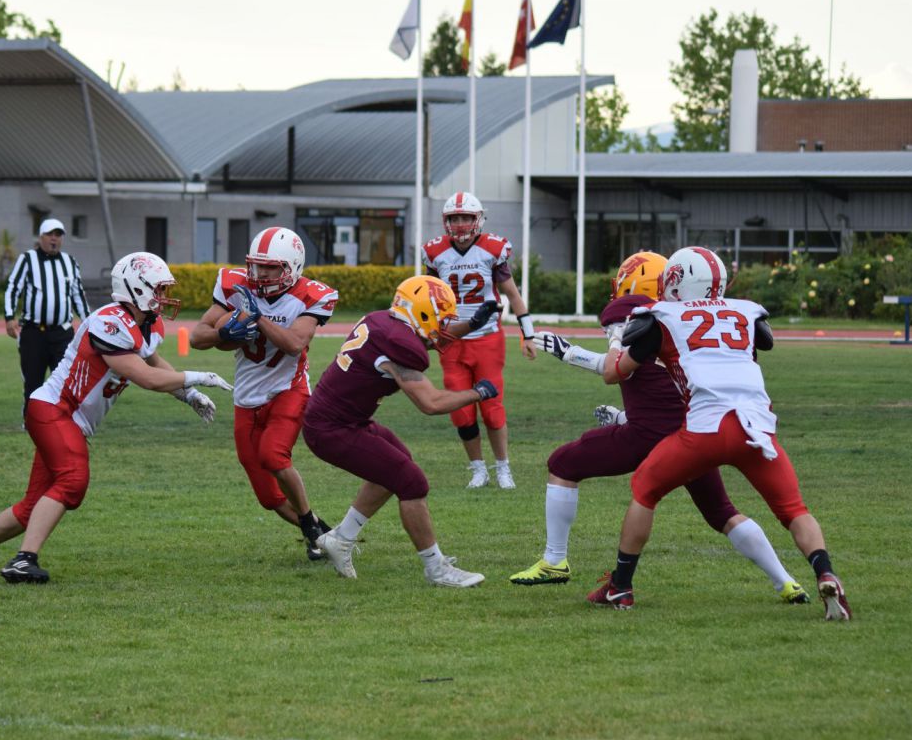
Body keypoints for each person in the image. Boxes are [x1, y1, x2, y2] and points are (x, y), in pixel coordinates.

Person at [509, 251, 808, 604]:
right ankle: (787, 582)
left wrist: (569, 353)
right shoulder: (682, 317)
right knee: (721, 512)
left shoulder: (632, 310)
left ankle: (555, 561)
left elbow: (615, 368)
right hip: (692, 431)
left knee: (563, 463)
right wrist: (621, 413)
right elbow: (654, 380)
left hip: (647, 434)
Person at [587, 246, 852, 620]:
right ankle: (825, 572)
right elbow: (762, 340)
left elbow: (614, 373)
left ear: (675, 281)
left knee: (644, 489)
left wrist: (616, 339)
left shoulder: (662, 317)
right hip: (756, 430)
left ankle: (621, 586)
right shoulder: (747, 312)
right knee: (794, 510)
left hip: (706, 430)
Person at [0, 252, 232, 584]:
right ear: (136, 287)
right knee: (72, 481)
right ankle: (23, 561)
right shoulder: (109, 322)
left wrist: (188, 394)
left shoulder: (148, 323)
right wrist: (200, 376)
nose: (163, 296)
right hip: (56, 409)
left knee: (35, 504)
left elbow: (154, 362)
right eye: (158, 289)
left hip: (66, 417)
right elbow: (146, 378)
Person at [303, 275, 503, 587]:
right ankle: (436, 568)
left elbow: (430, 337)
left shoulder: (383, 321)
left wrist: (472, 324)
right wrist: (478, 392)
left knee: (398, 462)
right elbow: (431, 403)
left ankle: (341, 538)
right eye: (439, 316)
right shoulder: (397, 344)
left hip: (343, 419)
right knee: (411, 481)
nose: (443, 325)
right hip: (332, 428)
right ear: (422, 311)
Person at [191, 227, 338, 561]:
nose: (260, 274)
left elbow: (294, 344)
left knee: (273, 457)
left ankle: (309, 525)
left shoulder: (310, 295)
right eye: (256, 266)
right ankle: (324, 534)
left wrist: (256, 318)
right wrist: (225, 332)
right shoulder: (236, 285)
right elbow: (197, 337)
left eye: (270, 268)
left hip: (288, 389)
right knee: (269, 498)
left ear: (292, 267)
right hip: (246, 396)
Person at [421, 191, 538, 490]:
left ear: (478, 219)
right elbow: (428, 297)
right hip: (450, 340)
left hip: (487, 339)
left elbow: (513, 295)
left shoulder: (492, 249)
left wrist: (528, 334)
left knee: (492, 408)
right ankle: (478, 469)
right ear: (445, 221)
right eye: (454, 218)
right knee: (460, 411)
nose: (460, 224)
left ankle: (503, 468)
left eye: (466, 217)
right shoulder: (435, 252)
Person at [4, 218, 91, 417]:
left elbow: (78, 295)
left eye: (58, 234)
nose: (54, 238)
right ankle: (31, 422)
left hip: (62, 333)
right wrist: (9, 317)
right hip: (34, 332)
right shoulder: (28, 259)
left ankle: (64, 421)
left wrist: (89, 322)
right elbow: (13, 288)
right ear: (41, 237)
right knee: (33, 382)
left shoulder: (70, 262)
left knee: (65, 381)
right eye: (50, 234)